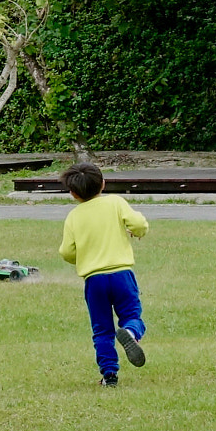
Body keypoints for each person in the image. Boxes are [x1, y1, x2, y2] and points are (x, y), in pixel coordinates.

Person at [57, 163, 148, 386]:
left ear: (73, 193)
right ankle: (130, 332)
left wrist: (82, 257)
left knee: (102, 329)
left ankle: (109, 375)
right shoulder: (115, 202)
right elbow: (138, 224)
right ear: (103, 184)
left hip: (94, 280)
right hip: (122, 275)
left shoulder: (74, 216)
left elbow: (67, 252)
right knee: (133, 315)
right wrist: (137, 232)